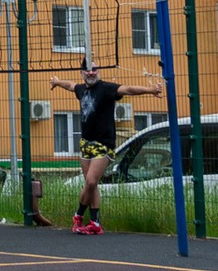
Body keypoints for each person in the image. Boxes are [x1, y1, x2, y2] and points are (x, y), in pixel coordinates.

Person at [49, 57, 158, 237]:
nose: (91, 73)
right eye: (88, 70)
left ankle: (78, 215)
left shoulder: (106, 88)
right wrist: (57, 82)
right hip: (86, 144)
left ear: (98, 71)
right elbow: (70, 85)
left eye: (94, 69)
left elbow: (128, 89)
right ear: (82, 73)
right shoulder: (81, 90)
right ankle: (95, 223)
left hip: (103, 145)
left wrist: (150, 90)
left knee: (91, 182)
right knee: (91, 185)